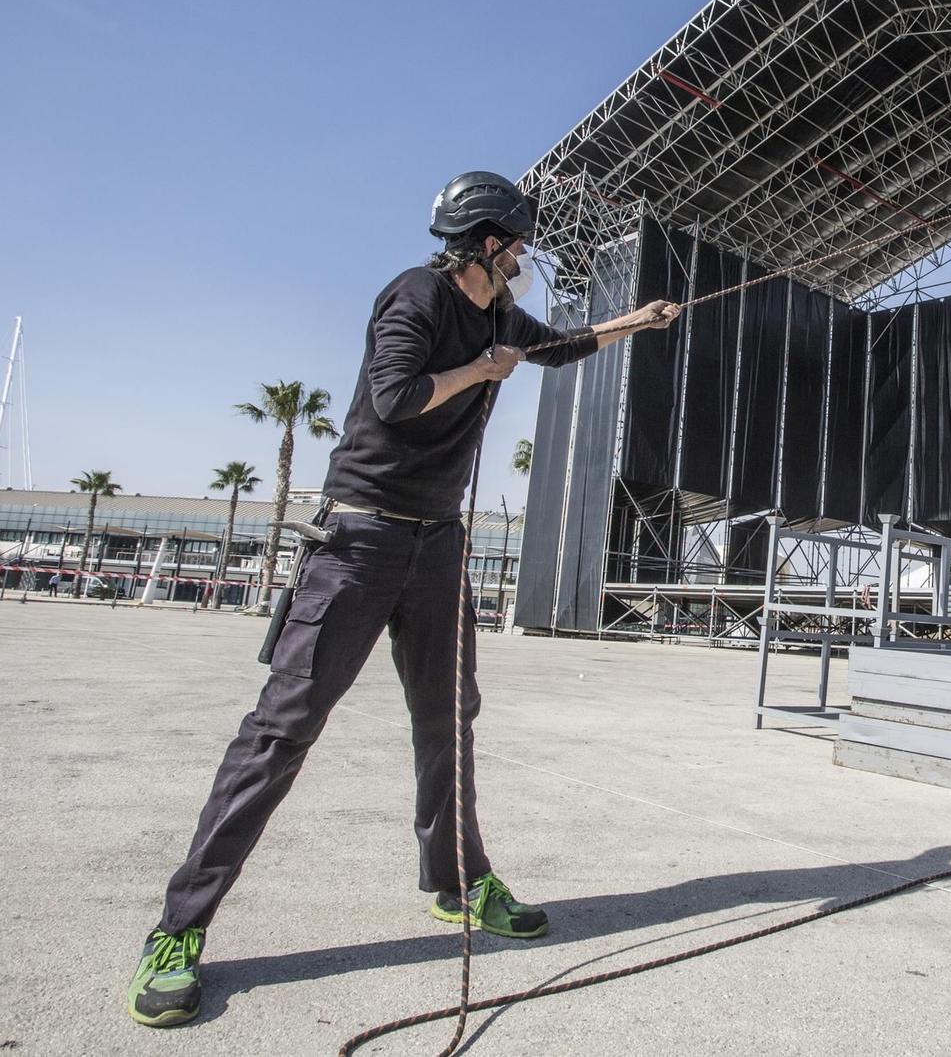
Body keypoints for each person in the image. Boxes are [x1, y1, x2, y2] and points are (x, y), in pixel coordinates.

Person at [125, 171, 679, 1028]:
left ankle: (460, 883)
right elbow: (396, 397)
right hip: (357, 540)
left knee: (449, 717)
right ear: (486, 244)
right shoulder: (415, 297)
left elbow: (557, 346)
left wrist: (632, 323)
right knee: (282, 729)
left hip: (436, 544)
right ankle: (178, 930)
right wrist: (480, 371)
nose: (525, 256)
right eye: (518, 243)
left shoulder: (500, 316)